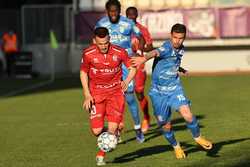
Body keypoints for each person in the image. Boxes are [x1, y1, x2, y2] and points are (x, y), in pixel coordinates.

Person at [131, 23, 212, 159]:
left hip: (175, 88)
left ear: (184, 38)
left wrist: (180, 69)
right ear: (171, 36)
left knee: (188, 115)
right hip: (158, 93)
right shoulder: (166, 47)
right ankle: (176, 146)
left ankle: (198, 137)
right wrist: (143, 59)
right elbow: (155, 52)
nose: (177, 41)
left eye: (181, 38)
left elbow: (173, 61)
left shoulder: (181, 49)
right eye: (175, 37)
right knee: (166, 125)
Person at [80, 27, 136, 166]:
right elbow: (83, 73)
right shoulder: (88, 54)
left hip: (116, 94)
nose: (104, 46)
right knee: (97, 131)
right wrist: (87, 94)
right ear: (94, 41)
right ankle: (114, 132)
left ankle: (101, 155)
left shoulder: (120, 52)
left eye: (105, 43)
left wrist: (127, 81)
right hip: (96, 94)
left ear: (109, 39)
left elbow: (133, 68)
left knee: (111, 131)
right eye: (100, 44)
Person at [96, 0, 145, 143]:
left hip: (125, 64)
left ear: (119, 10)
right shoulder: (101, 24)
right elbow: (95, 41)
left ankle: (137, 128)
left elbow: (140, 37)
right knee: (109, 99)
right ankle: (115, 130)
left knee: (129, 96)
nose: (113, 14)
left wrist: (140, 52)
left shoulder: (128, 23)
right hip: (109, 66)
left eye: (115, 11)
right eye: (111, 11)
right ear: (107, 11)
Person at [126, 6, 154, 133]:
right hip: (124, 64)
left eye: (133, 15)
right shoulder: (122, 30)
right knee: (121, 93)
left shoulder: (142, 30)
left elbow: (151, 47)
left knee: (139, 92)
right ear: (126, 16)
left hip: (139, 64)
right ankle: (117, 125)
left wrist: (140, 49)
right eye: (129, 15)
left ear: (137, 15)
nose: (131, 17)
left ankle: (146, 118)